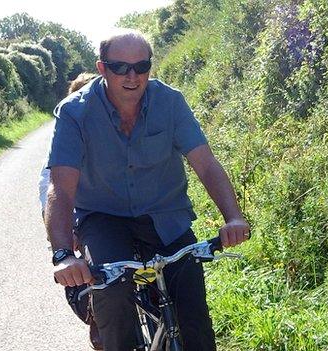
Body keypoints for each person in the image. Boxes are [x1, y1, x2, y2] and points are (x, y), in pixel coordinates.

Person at [44, 29, 250, 351]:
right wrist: (63, 254)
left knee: (193, 311)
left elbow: (206, 165)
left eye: (141, 67)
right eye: (120, 67)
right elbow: (61, 187)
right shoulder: (75, 113)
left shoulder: (170, 102)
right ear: (102, 68)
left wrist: (233, 218)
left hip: (164, 214)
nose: (132, 76)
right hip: (103, 217)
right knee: (111, 293)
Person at [39, 72, 103, 350]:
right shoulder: (65, 140)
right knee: (98, 283)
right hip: (84, 223)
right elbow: (50, 190)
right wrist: (66, 234)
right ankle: (100, 332)